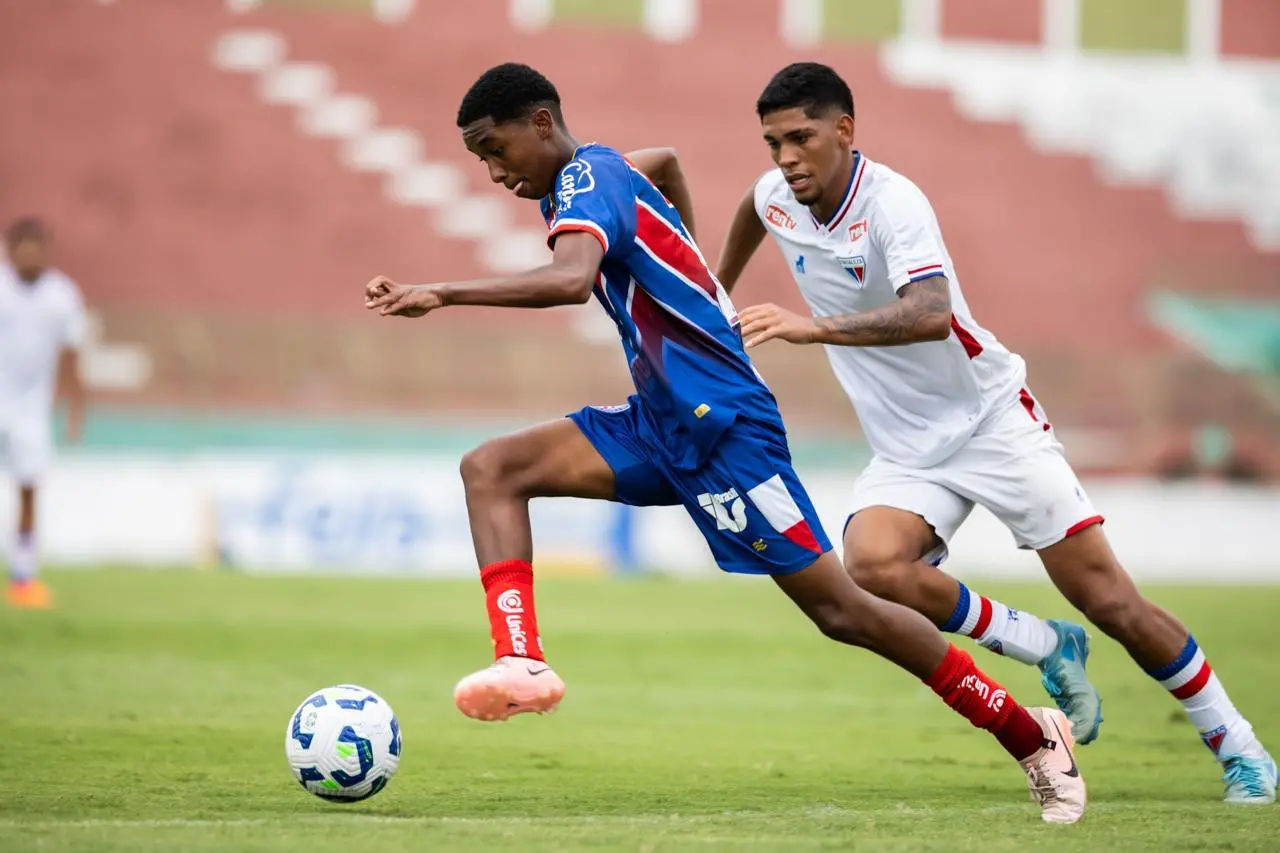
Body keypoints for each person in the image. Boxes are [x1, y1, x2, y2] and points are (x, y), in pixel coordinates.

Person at [363, 62, 1085, 823]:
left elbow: (573, 279)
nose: (491, 172)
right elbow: (667, 162)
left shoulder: (583, 182)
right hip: (662, 421)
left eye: (494, 148)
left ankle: (1032, 732)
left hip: (728, 430)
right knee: (492, 468)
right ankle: (521, 658)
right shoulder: (598, 173)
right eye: (479, 159)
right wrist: (699, 279)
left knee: (845, 611)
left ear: (541, 122)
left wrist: (443, 291)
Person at [710, 61, 1275, 805]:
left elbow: (931, 312)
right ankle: (1041, 642)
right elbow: (755, 208)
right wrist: (720, 287)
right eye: (772, 142)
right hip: (908, 448)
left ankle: (1241, 747)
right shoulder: (777, 194)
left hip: (990, 421)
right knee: (872, 565)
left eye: (800, 138)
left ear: (844, 131)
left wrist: (809, 327)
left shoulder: (894, 204)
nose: (784, 158)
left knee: (1110, 600)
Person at [0, 217, 87, 609]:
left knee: (29, 489)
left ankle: (23, 577)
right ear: (11, 249)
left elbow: (71, 353)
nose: (29, 257)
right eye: (23, 249)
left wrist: (75, 405)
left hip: (32, 408)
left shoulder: (62, 295)